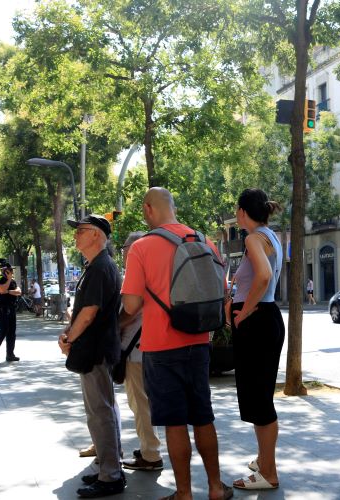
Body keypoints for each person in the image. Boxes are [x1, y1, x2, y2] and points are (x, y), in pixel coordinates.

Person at [121, 187, 232, 500]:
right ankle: (214, 487)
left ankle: (183, 492)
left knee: (174, 422)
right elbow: (220, 291)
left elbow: (130, 306)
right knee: (202, 416)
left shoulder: (141, 247)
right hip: (199, 342)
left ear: (148, 209)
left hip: (159, 346)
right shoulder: (204, 241)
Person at [59, 214, 124, 498]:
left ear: (97, 235)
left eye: (81, 231)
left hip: (96, 349)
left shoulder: (100, 267)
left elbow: (88, 314)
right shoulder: (96, 266)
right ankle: (107, 467)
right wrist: (68, 333)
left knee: (100, 413)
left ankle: (110, 475)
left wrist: (68, 339)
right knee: (102, 411)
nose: (76, 236)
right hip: (95, 348)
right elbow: (81, 311)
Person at [228, 189, 284, 490]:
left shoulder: (252, 238)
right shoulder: (270, 235)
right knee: (261, 397)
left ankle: (268, 473)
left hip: (257, 320)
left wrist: (242, 313)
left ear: (241, 212)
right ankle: (264, 462)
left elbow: (263, 277)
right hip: (268, 317)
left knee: (260, 401)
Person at [118, 231, 164, 472]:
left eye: (126, 247)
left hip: (137, 350)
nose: (124, 252)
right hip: (148, 346)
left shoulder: (139, 272)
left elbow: (129, 310)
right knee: (143, 402)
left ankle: (151, 454)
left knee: (140, 403)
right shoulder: (154, 270)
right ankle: (149, 447)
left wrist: (111, 327)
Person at [0, 262, 21, 362]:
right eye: (9, 270)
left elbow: (19, 292)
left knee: (12, 332)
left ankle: (10, 354)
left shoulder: (12, 281)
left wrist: (8, 291)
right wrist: (8, 280)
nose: (11, 272)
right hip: (3, 308)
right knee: (4, 330)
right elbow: (1, 289)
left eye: (11, 270)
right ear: (4, 270)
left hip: (12, 308)